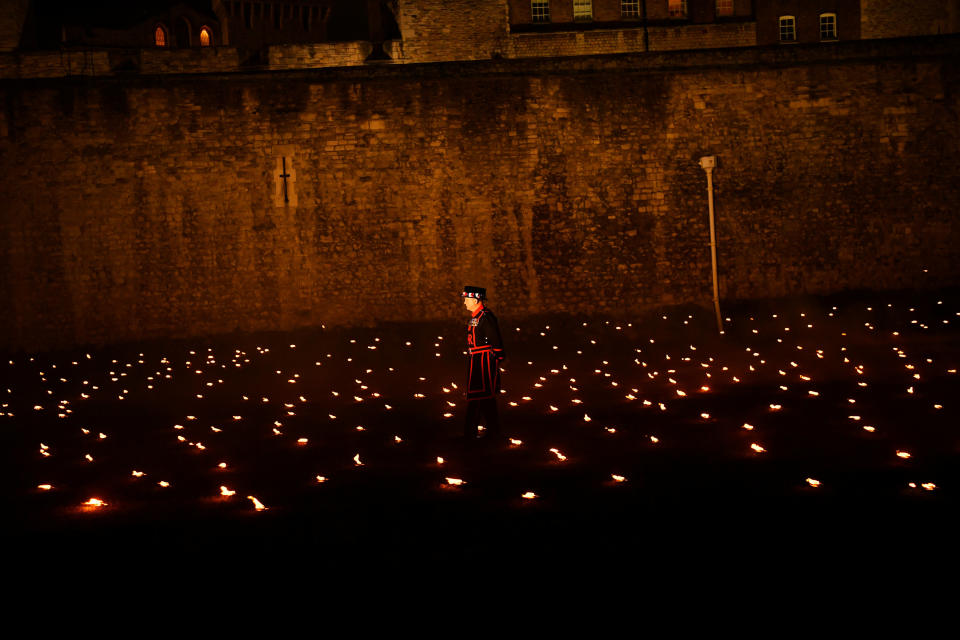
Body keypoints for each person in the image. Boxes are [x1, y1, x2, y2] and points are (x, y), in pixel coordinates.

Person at [461, 285, 505, 442]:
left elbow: (495, 340)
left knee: (480, 397)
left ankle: (470, 433)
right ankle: (491, 432)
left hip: (484, 362)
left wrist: (497, 357)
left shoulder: (486, 317)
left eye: (467, 299)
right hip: (475, 361)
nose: (465, 302)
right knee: (483, 398)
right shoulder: (475, 316)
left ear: (475, 299)